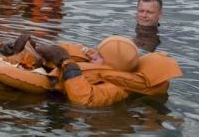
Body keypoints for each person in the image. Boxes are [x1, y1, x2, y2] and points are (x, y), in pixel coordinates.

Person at [32, 36, 182, 107]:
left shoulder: (117, 88)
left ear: (112, 65)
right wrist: (32, 51)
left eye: (99, 56)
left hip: (64, 114)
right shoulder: (97, 67)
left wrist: (67, 62)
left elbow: (86, 99)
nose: (92, 55)